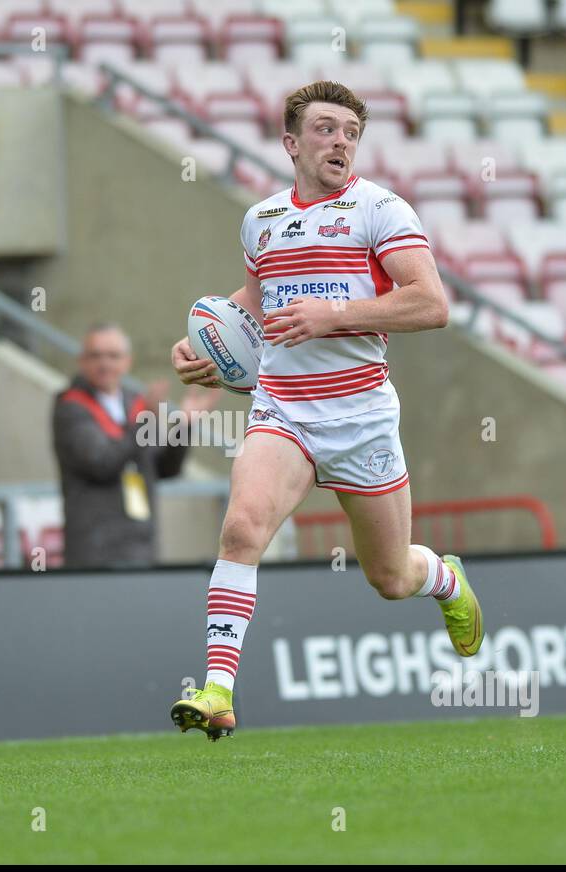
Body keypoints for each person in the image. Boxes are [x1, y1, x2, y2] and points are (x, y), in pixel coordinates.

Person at [167, 81, 485, 741]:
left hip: (362, 418)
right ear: (291, 143)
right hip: (282, 411)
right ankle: (219, 690)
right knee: (242, 530)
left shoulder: (381, 210)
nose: (339, 140)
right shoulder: (261, 221)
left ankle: (446, 579)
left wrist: (333, 315)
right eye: (325, 128)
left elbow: (431, 303)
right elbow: (259, 300)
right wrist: (210, 346)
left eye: (349, 131)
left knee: (390, 576)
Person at [53, 323, 218, 569]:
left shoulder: (134, 403)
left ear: (127, 362)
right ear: (82, 360)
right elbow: (101, 463)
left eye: (113, 356)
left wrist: (185, 424)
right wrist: (142, 419)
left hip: (140, 544)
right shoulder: (70, 407)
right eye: (95, 355)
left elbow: (165, 469)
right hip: (93, 549)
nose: (104, 363)